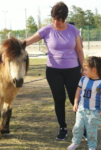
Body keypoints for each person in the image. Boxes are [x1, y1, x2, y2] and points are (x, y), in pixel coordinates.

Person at [23, 1, 84, 140]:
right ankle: (63, 128)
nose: (56, 22)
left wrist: (84, 69)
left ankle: (82, 127)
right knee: (59, 99)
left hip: (73, 70)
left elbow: (79, 51)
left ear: (65, 19)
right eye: (54, 19)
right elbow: (27, 42)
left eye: (60, 20)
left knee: (75, 99)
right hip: (53, 71)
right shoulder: (46, 30)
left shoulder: (73, 30)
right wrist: (8, 50)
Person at [68, 56, 101, 150]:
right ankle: (75, 142)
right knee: (77, 127)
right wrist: (75, 103)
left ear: (94, 70)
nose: (84, 72)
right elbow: (78, 91)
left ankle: (92, 146)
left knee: (91, 131)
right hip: (82, 109)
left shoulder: (99, 83)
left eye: (86, 70)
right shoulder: (83, 79)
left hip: (94, 112)